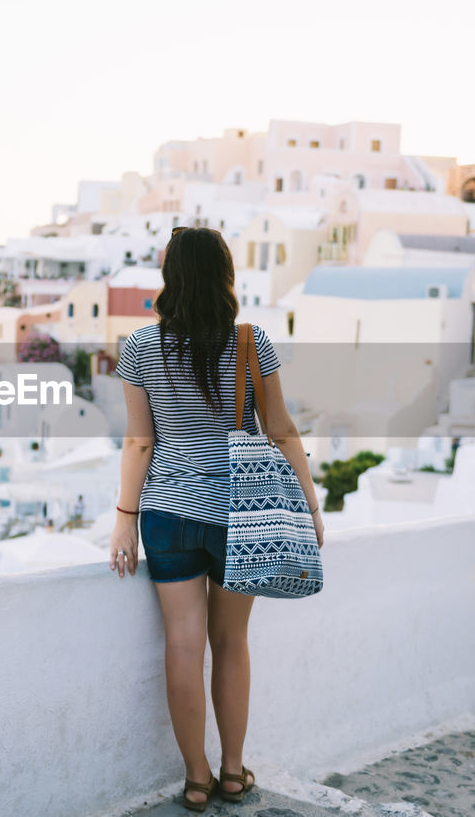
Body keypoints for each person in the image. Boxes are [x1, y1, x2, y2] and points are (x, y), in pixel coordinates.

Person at [110, 227, 325, 812]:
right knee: (231, 642)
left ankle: (197, 779)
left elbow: (138, 441)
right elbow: (281, 430)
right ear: (225, 276)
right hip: (241, 518)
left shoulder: (139, 348)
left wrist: (125, 519)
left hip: (167, 515)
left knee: (183, 644)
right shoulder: (252, 345)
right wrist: (308, 504)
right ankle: (233, 772)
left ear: (170, 278)